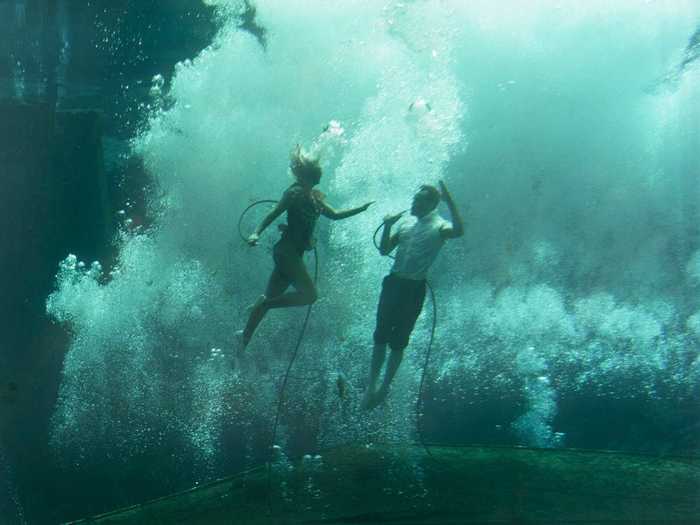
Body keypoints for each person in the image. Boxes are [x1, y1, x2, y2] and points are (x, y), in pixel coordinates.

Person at [239, 146, 373, 349]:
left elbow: (335, 214)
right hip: (286, 253)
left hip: (292, 254)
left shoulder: (315, 197)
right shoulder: (294, 193)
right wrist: (256, 232)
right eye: (317, 169)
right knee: (310, 295)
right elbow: (274, 212)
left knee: (270, 297)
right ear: (310, 174)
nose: (320, 172)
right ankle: (262, 308)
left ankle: (243, 338)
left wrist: (361, 209)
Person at [362, 180, 463, 410]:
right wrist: (388, 225)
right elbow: (384, 250)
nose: (413, 204)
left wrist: (451, 202)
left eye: (418, 201)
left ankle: (385, 387)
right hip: (393, 283)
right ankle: (372, 384)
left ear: (432, 204)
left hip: (413, 288)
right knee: (380, 335)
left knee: (399, 341)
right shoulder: (406, 223)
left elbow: (459, 231)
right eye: (413, 200)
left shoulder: (440, 225)